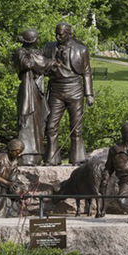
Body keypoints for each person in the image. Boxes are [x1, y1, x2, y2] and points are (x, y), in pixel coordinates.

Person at [42, 22, 94, 165]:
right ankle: (51, 159)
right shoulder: (49, 47)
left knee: (76, 127)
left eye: (62, 34)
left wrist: (89, 94)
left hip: (75, 89)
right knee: (51, 126)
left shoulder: (81, 49)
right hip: (56, 90)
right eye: (57, 34)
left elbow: (87, 72)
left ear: (69, 34)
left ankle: (77, 159)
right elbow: (39, 63)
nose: (59, 37)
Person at [13, 28, 56, 166]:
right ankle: (25, 154)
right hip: (28, 90)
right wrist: (45, 62)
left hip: (36, 90)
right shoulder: (20, 52)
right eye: (36, 38)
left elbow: (43, 64)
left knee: (38, 121)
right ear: (31, 40)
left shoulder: (33, 53)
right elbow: (28, 64)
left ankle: (37, 154)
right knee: (27, 121)